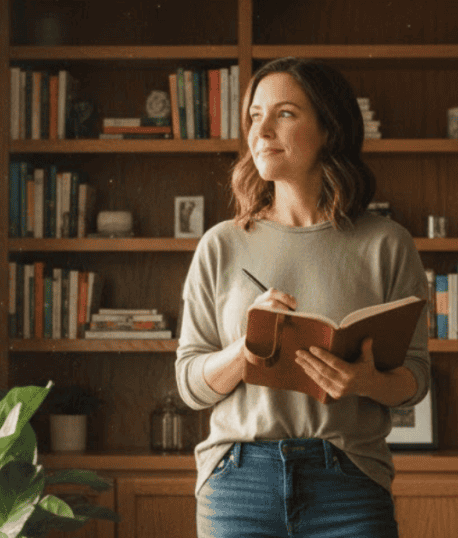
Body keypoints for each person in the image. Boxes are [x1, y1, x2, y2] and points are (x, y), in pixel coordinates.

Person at [175, 57, 431, 538]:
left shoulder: (387, 243)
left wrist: (362, 382)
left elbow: (415, 378)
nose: (262, 130)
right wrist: (245, 350)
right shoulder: (221, 243)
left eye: (285, 114)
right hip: (238, 483)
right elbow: (190, 384)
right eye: (255, 116)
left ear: (329, 130)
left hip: (350, 481)